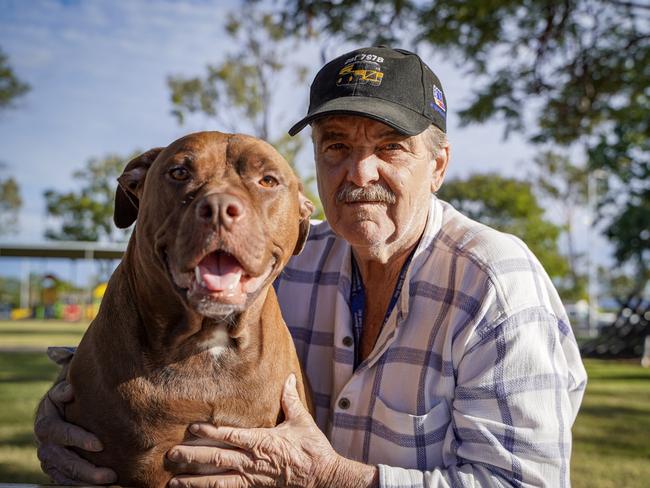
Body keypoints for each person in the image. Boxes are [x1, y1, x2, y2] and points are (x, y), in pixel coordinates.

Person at [35, 46, 587, 487]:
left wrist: (328, 478)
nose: (358, 171)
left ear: (438, 166)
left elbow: (525, 483)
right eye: (336, 145)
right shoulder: (280, 264)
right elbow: (139, 321)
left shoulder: (496, 284)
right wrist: (69, 410)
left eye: (391, 148)